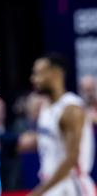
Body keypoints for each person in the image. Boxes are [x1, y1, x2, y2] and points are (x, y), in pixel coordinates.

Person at [19, 55, 95, 196]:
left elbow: (72, 158)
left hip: (72, 186)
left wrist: (38, 192)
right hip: (53, 183)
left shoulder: (71, 108)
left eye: (38, 73)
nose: (33, 78)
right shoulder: (46, 107)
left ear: (55, 73)